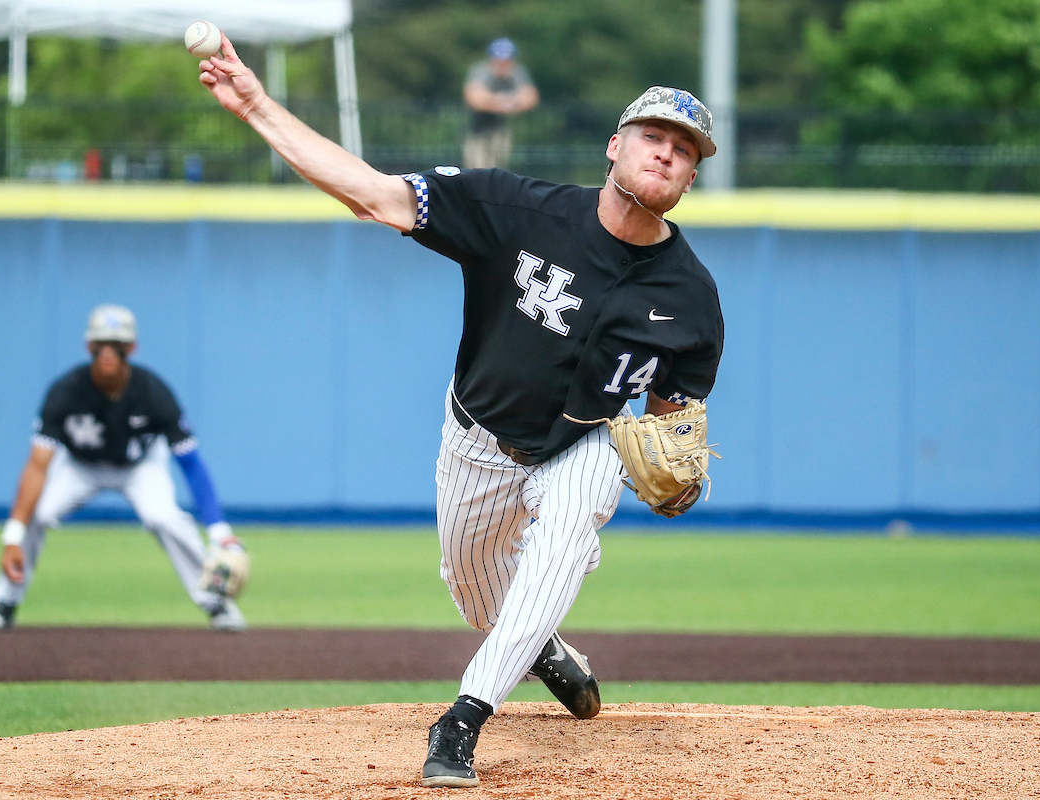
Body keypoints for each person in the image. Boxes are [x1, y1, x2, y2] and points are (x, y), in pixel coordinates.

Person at [199, 38, 723, 788]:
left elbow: (670, 418)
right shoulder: (515, 211)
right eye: (653, 136)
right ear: (615, 146)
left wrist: (677, 472)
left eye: (684, 148)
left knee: (568, 528)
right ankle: (539, 645)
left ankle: (462, 721)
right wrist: (255, 105)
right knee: (478, 598)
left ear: (693, 174)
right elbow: (370, 195)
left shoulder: (692, 299)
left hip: (585, 444)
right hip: (477, 443)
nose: (666, 153)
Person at [0, 304, 248, 632]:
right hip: (79, 466)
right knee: (37, 511)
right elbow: (37, 466)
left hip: (140, 467)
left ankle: (216, 602)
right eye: (100, 343)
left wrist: (219, 533)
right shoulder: (65, 392)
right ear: (88, 346)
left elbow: (190, 462)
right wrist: (12, 537)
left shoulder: (154, 393)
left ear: (132, 348)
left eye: (117, 344)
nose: (107, 353)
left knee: (164, 517)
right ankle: (4, 601)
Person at [462, 37, 538, 169]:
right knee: (477, 169)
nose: (503, 64)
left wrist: (492, 101)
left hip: (501, 130)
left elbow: (530, 99)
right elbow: (473, 99)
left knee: (498, 170)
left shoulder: (517, 72)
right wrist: (505, 102)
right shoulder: (481, 71)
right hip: (477, 131)